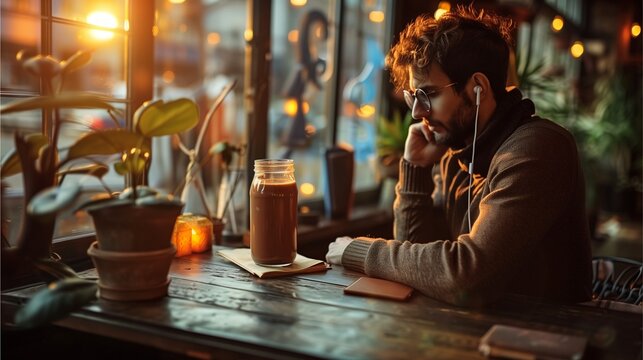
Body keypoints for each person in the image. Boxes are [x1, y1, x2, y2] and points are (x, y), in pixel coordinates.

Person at [325, 5, 592, 307]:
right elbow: (419, 262)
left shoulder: (538, 149)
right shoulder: (455, 153)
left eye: (428, 94)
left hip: (550, 339)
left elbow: (468, 276)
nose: (417, 112)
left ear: (477, 87)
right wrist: (416, 168)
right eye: (414, 96)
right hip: (473, 330)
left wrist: (360, 252)